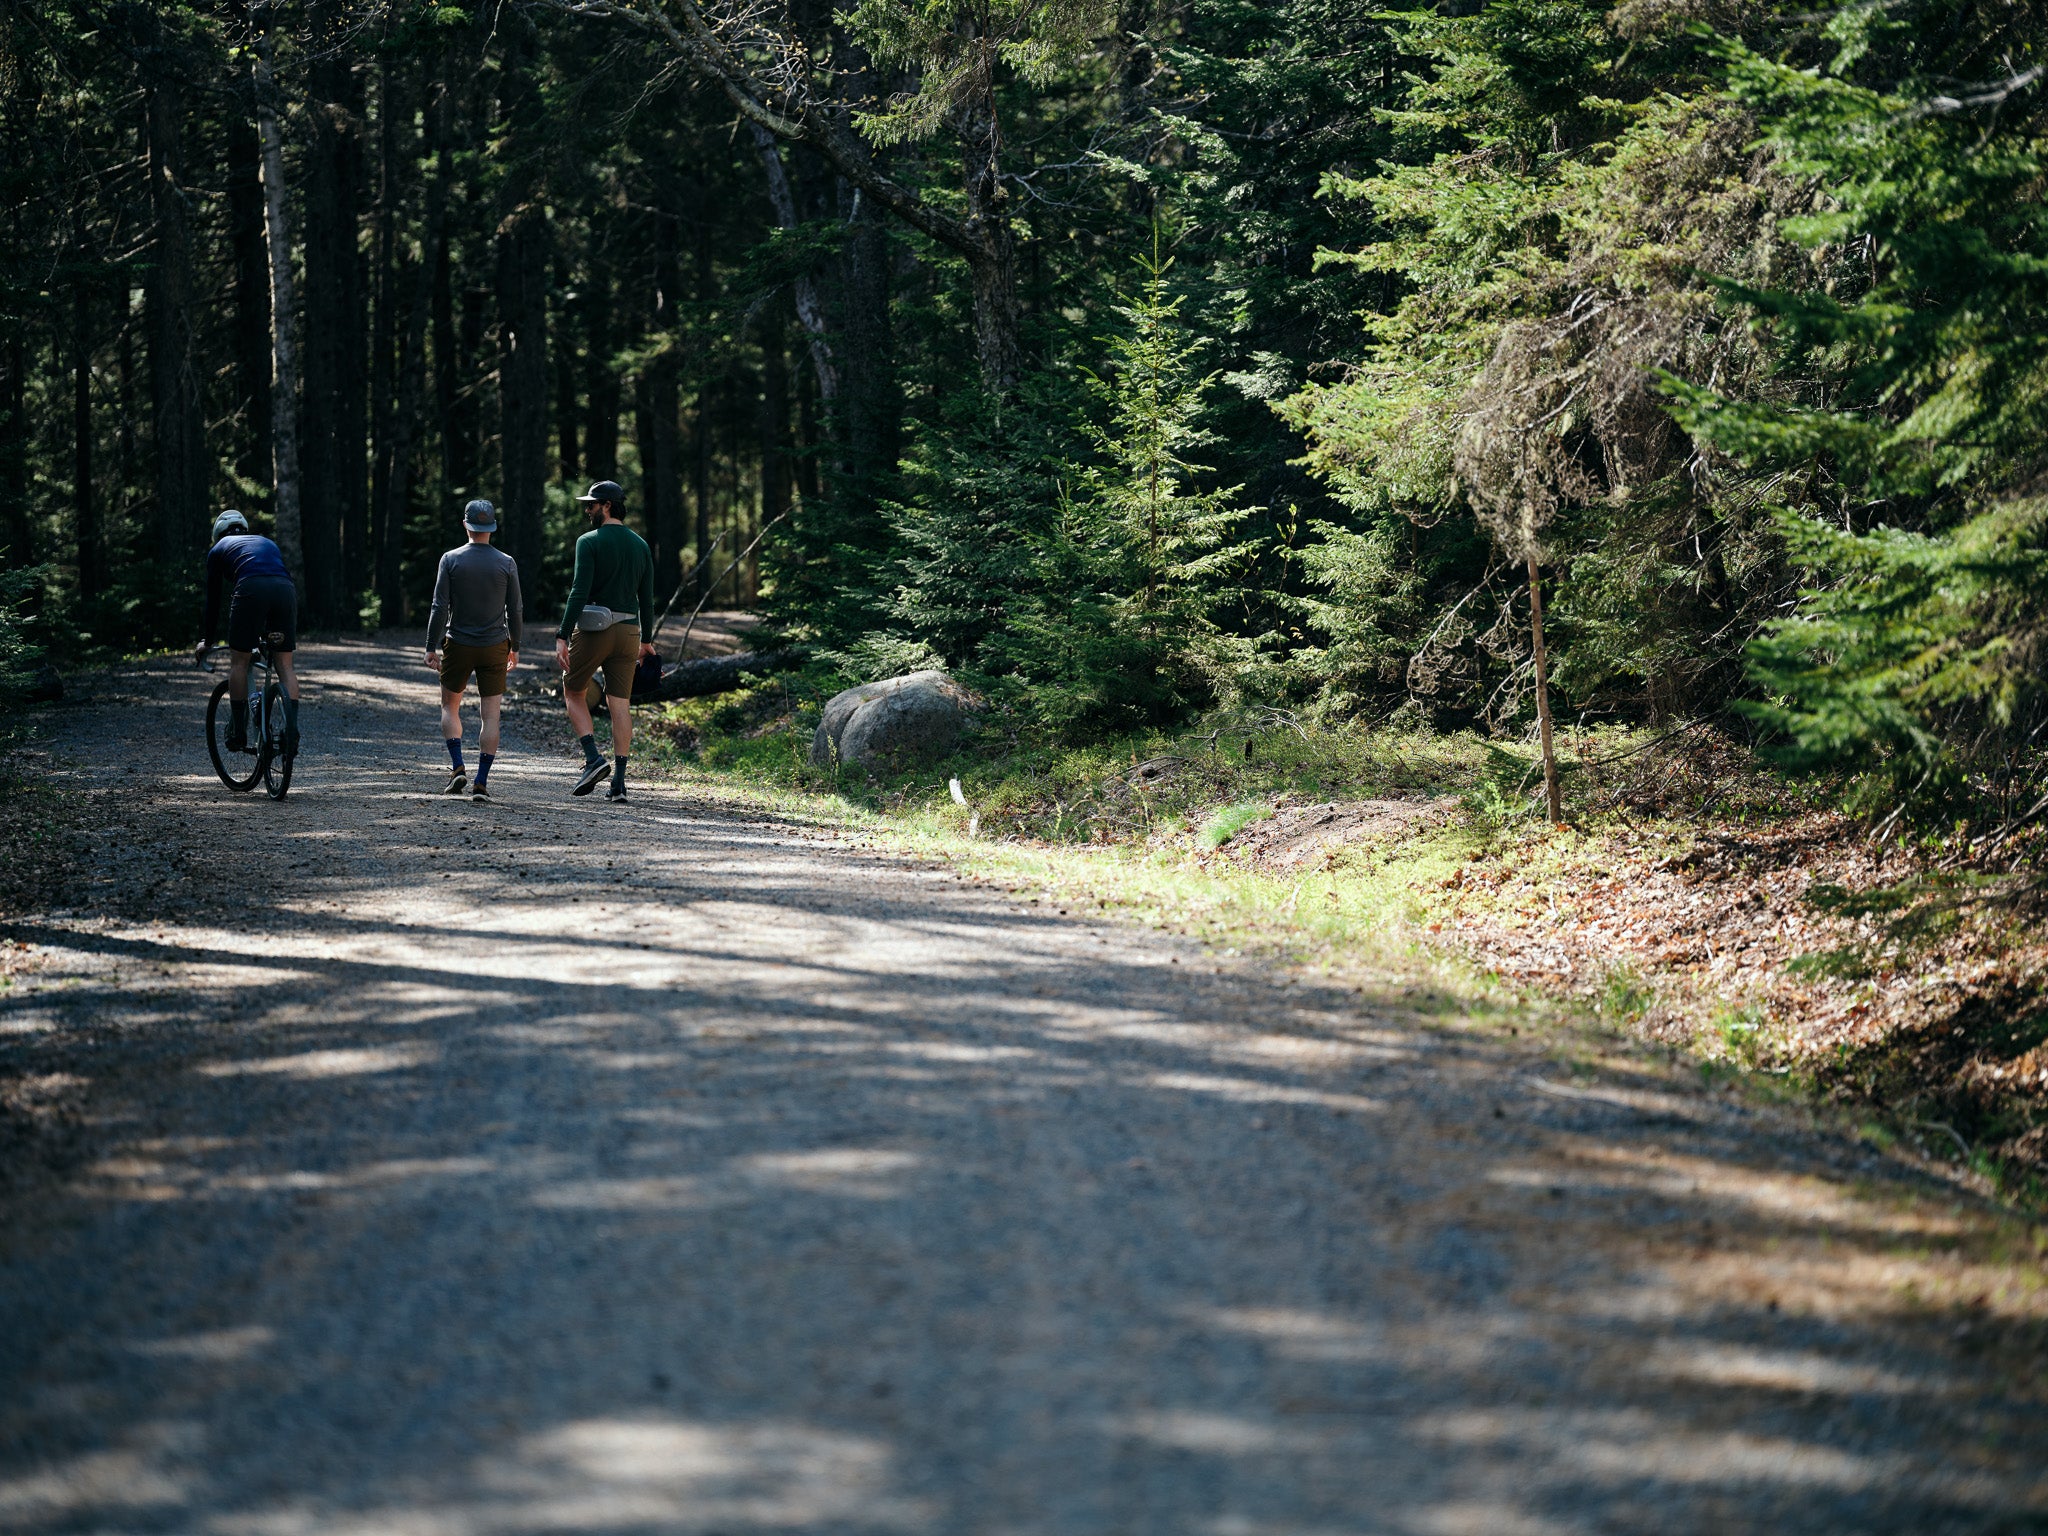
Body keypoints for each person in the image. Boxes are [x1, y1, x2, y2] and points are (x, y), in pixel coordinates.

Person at [555, 480, 655, 801]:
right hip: (629, 633)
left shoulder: (589, 542)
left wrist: (562, 634)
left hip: (595, 630)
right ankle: (620, 784)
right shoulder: (641, 545)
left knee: (572, 691)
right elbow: (648, 599)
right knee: (619, 704)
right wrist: (647, 641)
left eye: (592, 504)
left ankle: (593, 759)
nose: (588, 510)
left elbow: (578, 591)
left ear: (607, 505)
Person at [425, 499, 524, 801]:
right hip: (495, 645)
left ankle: (458, 767)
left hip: (459, 644)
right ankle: (481, 782)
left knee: (449, 707)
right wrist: (515, 647)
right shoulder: (506, 562)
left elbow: (440, 606)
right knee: (490, 716)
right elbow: (516, 609)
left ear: (465, 524)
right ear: (492, 527)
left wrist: (431, 646)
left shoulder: (450, 559)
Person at [193, 510, 300, 757]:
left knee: (239, 662)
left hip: (251, 587)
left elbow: (213, 600)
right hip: (285, 589)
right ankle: (291, 732)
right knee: (285, 666)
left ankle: (238, 730)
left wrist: (206, 641)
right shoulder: (266, 542)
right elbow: (273, 582)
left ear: (218, 535)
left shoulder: (218, 549)